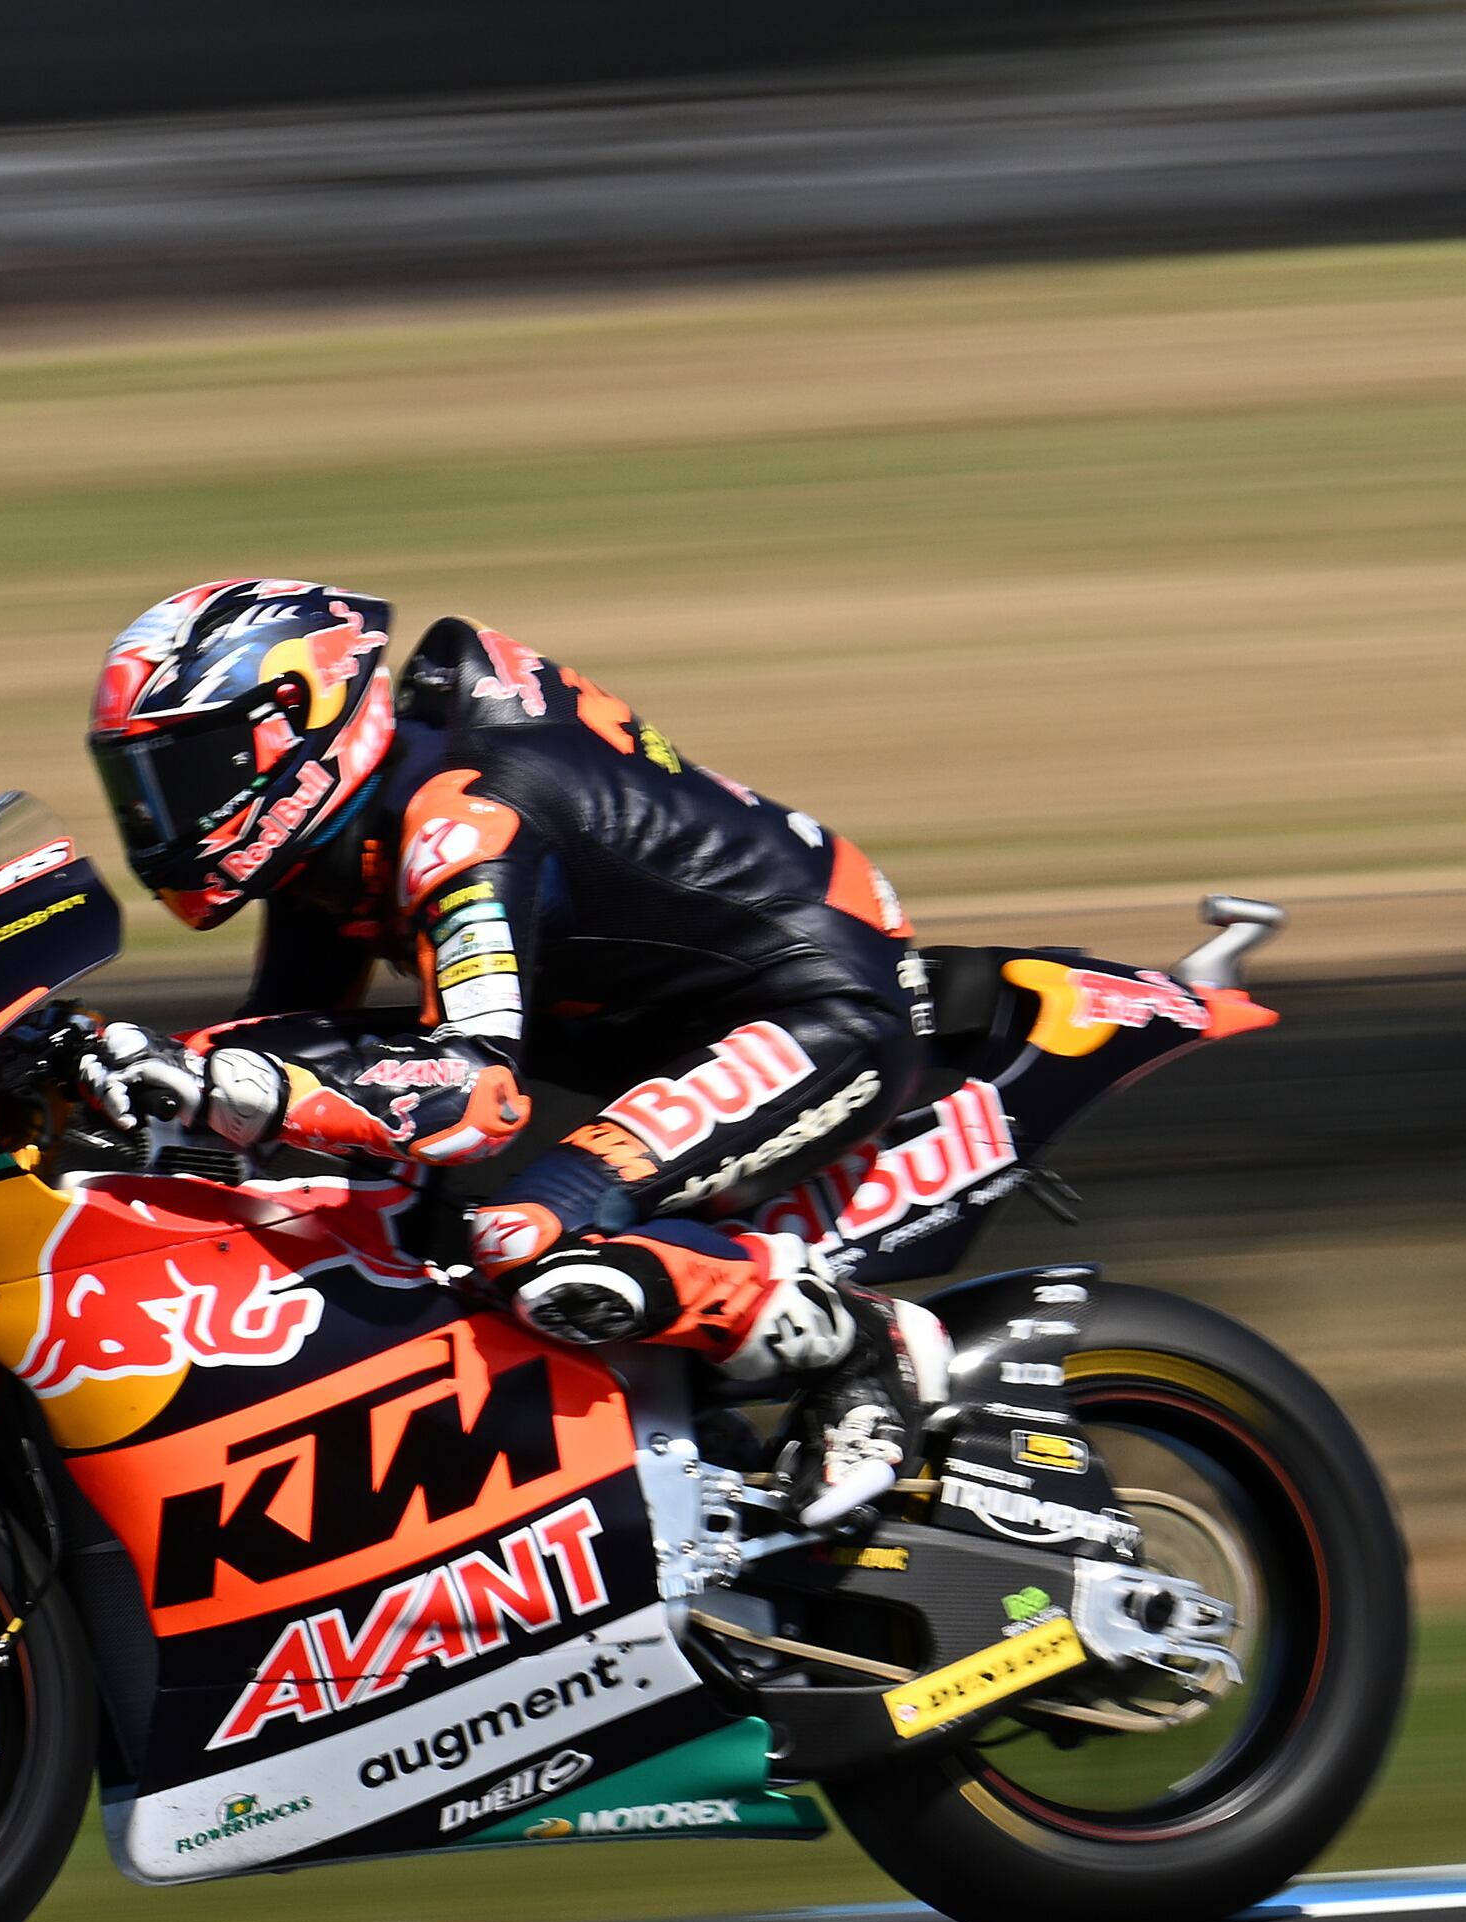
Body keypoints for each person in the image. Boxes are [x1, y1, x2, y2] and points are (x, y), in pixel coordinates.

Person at [72, 576, 947, 1522]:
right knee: (379, 1208)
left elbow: (474, 1098)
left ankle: (862, 1344)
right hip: (655, 1031)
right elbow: (276, 1041)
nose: (163, 824)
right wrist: (92, 1067)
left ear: (294, 717)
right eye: (141, 791)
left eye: (187, 777)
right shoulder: (333, 839)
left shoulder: (462, 821)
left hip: (819, 1009)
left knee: (523, 1238)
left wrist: (219, 1084)